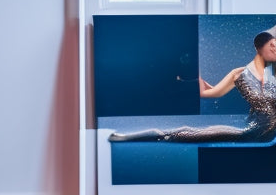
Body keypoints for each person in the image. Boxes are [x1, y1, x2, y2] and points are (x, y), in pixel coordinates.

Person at [109, 31, 276, 142]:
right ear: (258, 48)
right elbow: (211, 93)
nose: (275, 49)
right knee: (185, 132)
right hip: (249, 132)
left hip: (264, 134)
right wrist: (194, 76)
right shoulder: (239, 74)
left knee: (190, 132)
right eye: (272, 45)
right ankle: (133, 136)